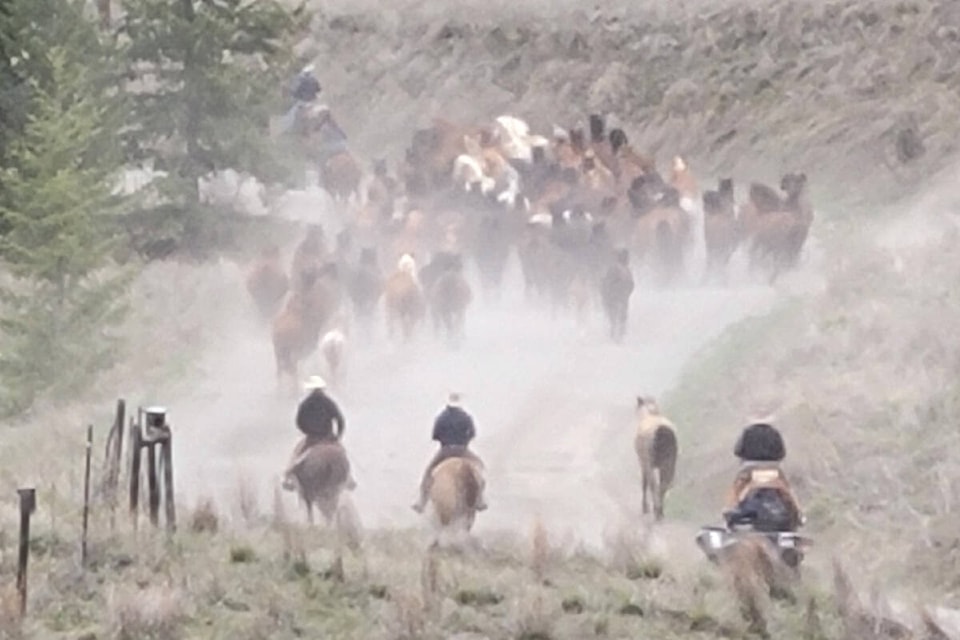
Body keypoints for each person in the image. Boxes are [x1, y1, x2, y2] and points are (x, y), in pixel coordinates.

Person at [411, 392, 487, 514]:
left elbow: (435, 435)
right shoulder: (466, 417)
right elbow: (472, 434)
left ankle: (422, 502)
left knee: (428, 473)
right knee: (480, 468)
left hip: (445, 451)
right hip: (463, 450)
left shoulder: (442, 417)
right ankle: (480, 499)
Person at [724, 418, 803, 531]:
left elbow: (731, 505)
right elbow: (789, 496)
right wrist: (799, 515)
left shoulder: (745, 475)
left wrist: (728, 513)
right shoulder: (778, 476)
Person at [282, 375, 356, 491]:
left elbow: (299, 421)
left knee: (296, 455)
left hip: (312, 438)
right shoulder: (329, 402)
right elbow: (340, 420)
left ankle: (288, 478)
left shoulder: (305, 403)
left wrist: (307, 431)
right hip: (328, 437)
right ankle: (349, 479)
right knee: (342, 453)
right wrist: (337, 436)